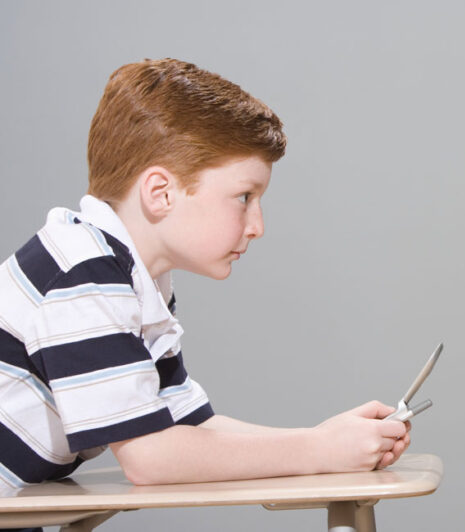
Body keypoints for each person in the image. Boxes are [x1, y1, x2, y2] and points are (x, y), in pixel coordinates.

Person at [0, 59, 411, 494]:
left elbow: (190, 426)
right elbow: (150, 456)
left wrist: (328, 439)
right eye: (244, 197)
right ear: (160, 193)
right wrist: (318, 450)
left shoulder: (135, 280)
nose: (258, 226)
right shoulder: (83, 273)